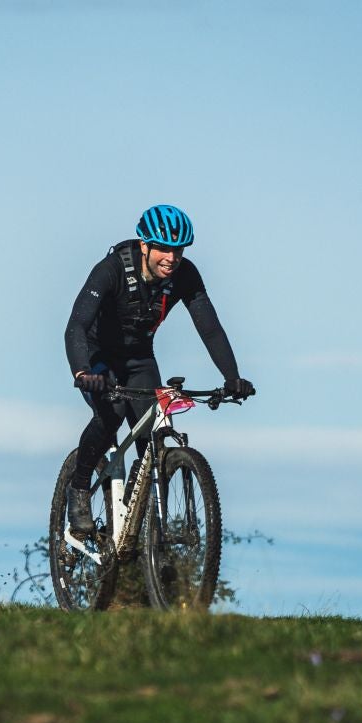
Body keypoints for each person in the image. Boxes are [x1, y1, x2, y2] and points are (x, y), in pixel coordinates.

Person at [62, 204, 253, 537]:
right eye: (163, 248)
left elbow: (210, 329)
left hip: (139, 359)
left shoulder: (186, 274)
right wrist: (82, 372)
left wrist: (232, 377)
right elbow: (76, 325)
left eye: (177, 250)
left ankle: (145, 521)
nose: (171, 257)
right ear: (145, 245)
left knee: (153, 430)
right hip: (98, 358)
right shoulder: (111, 269)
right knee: (111, 417)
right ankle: (78, 489)